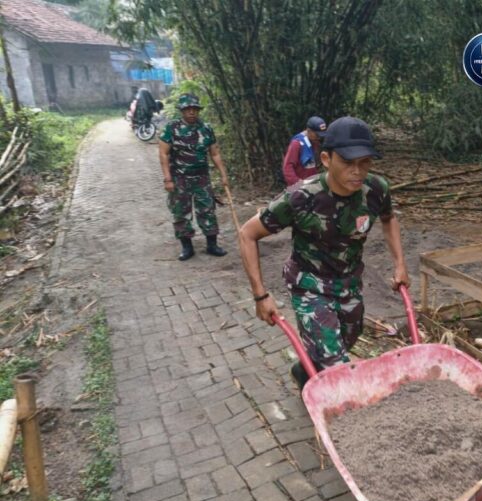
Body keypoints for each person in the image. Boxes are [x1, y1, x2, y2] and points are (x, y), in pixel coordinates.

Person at [240, 116, 409, 389]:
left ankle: (303, 370)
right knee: (335, 362)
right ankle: (342, 415)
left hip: (349, 282)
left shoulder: (376, 190)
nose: (357, 171)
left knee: (348, 339)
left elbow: (389, 219)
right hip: (309, 284)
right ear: (327, 159)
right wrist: (261, 295)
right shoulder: (299, 197)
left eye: (364, 162)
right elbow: (247, 234)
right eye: (347, 162)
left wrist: (400, 263)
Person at [159, 93, 228, 261]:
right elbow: (163, 153)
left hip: (202, 177)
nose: (191, 112)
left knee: (207, 209)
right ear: (182, 111)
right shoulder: (172, 128)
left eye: (194, 109)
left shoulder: (206, 128)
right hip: (179, 178)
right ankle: (186, 246)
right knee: (181, 212)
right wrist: (168, 179)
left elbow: (215, 153)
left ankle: (212, 244)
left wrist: (223, 175)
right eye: (187, 109)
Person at [281, 116, 327, 187]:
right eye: (317, 134)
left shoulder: (315, 142)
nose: (319, 137)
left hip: (311, 185)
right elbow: (287, 167)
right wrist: (297, 183)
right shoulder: (297, 144)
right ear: (309, 130)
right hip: (298, 187)